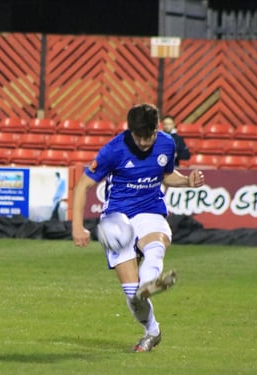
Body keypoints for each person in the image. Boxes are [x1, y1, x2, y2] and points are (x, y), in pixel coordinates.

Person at [72, 103, 205, 352]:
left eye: (149, 137)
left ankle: (149, 283)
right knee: (131, 294)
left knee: (156, 246)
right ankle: (152, 331)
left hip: (150, 210)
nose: (144, 143)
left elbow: (166, 175)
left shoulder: (167, 143)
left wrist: (187, 180)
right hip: (117, 218)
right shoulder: (113, 150)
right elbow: (81, 187)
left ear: (157, 129)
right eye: (138, 137)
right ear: (130, 131)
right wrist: (77, 227)